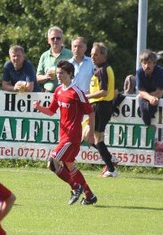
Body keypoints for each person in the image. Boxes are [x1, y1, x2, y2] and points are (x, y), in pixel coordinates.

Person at [33, 60, 98, 205]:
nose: (58, 76)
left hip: (72, 136)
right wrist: (39, 107)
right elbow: (51, 111)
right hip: (63, 135)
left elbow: (91, 112)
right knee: (69, 165)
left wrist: (91, 133)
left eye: (61, 73)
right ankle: (89, 195)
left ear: (70, 74)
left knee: (52, 162)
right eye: (57, 73)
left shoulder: (76, 92)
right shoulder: (58, 90)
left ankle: (75, 187)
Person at [86, 42, 119, 177]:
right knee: (88, 135)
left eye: (96, 54)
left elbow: (104, 92)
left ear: (103, 56)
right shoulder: (106, 68)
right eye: (91, 54)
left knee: (96, 138)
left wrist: (86, 96)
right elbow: (114, 91)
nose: (92, 57)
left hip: (100, 105)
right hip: (103, 106)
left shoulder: (102, 70)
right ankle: (110, 159)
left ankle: (111, 169)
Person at [136, 49, 163, 126]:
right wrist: (150, 98)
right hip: (152, 100)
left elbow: (159, 94)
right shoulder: (139, 72)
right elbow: (141, 91)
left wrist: (146, 96)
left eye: (149, 63)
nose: (146, 66)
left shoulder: (161, 72)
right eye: (144, 63)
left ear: (154, 63)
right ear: (141, 63)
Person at [36, 26, 73, 92]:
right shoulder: (44, 56)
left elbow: (76, 74)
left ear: (62, 40)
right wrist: (46, 76)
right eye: (53, 38)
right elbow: (37, 78)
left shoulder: (70, 54)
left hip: (66, 91)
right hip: (48, 93)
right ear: (48, 41)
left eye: (58, 38)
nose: (55, 40)